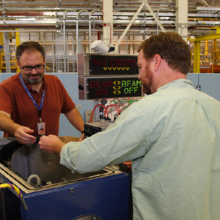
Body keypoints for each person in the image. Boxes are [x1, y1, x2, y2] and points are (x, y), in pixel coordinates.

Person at [39, 32, 220, 220]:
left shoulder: (147, 110)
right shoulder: (214, 106)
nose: (139, 75)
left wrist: (58, 147)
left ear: (156, 62)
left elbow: (89, 157)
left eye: (141, 66)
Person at [0, 41, 84, 145]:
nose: (34, 72)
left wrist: (84, 130)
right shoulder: (7, 87)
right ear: (18, 64)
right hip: (18, 151)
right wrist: (16, 129)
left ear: (44, 61)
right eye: (27, 67)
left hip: (49, 151)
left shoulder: (55, 82)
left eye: (38, 66)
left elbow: (70, 110)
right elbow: (1, 116)